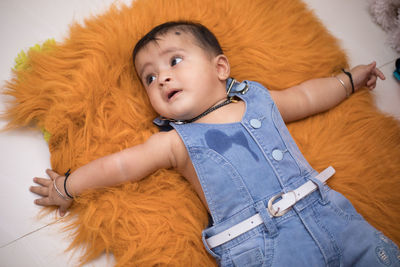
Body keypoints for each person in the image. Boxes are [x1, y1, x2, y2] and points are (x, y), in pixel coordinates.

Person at [30, 21, 399, 266]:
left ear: (220, 69)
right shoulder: (176, 142)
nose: (162, 78)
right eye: (150, 77)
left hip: (328, 213)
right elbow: (122, 164)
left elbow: (304, 97)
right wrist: (67, 185)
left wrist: (348, 81)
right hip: (263, 247)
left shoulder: (257, 98)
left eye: (174, 61)